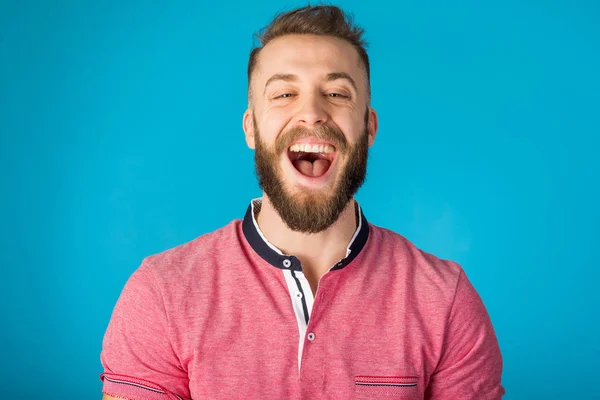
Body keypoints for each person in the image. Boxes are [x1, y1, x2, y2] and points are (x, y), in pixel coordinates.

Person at [100, 5, 505, 399]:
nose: (311, 112)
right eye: (284, 93)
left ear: (368, 128)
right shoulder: (161, 293)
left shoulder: (445, 300)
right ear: (251, 129)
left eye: (335, 92)